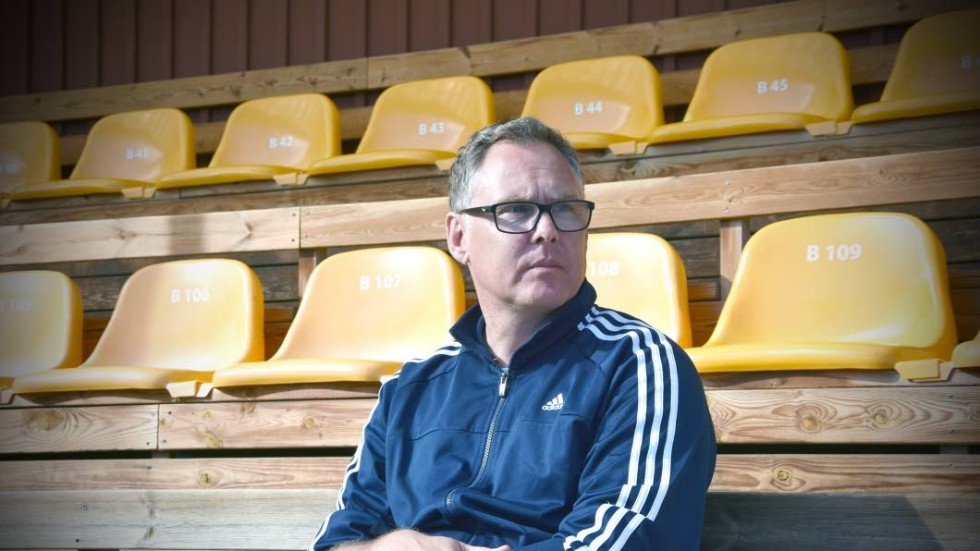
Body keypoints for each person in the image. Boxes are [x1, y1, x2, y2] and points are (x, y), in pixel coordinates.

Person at [310, 117, 716, 551]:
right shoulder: (409, 388)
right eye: (516, 210)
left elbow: (627, 542)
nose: (548, 231)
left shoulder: (637, 365)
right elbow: (340, 540)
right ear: (459, 237)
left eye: (565, 209)